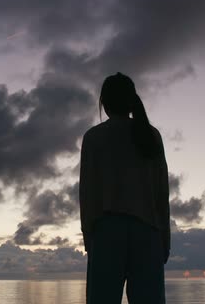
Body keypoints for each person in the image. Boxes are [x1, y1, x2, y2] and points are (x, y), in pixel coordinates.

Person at [79, 72, 170, 304]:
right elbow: (161, 192)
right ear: (131, 101)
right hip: (148, 233)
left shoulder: (94, 137)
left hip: (107, 233)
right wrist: (164, 238)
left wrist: (89, 236)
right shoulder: (151, 135)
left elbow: (88, 194)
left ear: (104, 103)